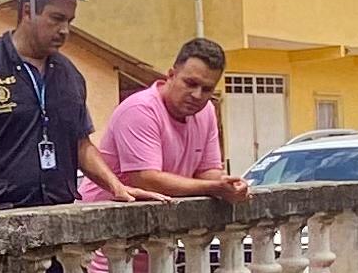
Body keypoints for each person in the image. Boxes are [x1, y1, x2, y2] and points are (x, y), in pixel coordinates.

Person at [0, 0, 143, 213]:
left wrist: (116, 186)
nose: (65, 30)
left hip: (59, 222)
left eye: (69, 21)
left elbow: (81, 145)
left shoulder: (70, 75)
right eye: (56, 19)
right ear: (28, 10)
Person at [87, 38, 251, 204]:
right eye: (190, 83)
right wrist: (213, 187)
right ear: (171, 75)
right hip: (102, 217)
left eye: (207, 89)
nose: (197, 95)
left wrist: (229, 184)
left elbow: (207, 171)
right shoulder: (140, 110)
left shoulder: (206, 110)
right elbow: (146, 180)